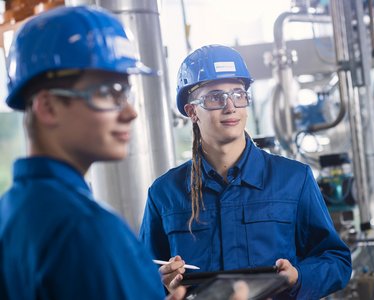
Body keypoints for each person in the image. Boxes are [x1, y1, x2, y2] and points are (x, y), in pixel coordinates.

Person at [0, 6, 186, 299]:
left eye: (126, 92)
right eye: (108, 92)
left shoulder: (11, 211)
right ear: (48, 107)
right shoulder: (86, 229)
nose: (130, 112)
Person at [139, 44, 352, 299]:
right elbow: (140, 278)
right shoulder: (165, 193)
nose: (230, 107)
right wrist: (162, 283)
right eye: (215, 97)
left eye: (238, 94)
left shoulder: (293, 180)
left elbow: (337, 260)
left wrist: (298, 277)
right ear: (191, 111)